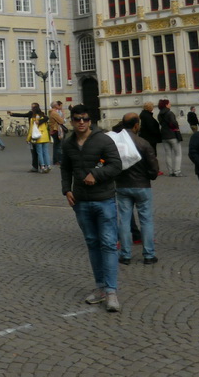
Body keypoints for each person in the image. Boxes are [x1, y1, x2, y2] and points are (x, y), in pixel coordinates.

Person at [61, 104, 123, 312]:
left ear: (90, 121)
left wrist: (95, 174)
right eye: (77, 118)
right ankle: (100, 287)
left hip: (104, 199)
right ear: (71, 120)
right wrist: (65, 190)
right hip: (81, 202)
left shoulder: (103, 140)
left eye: (85, 119)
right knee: (92, 243)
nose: (81, 122)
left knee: (107, 243)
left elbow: (116, 165)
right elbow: (66, 168)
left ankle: (111, 290)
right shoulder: (68, 144)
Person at [113, 113, 159, 266]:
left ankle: (125, 255)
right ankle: (149, 254)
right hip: (142, 185)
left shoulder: (116, 143)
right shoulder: (144, 143)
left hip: (122, 185)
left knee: (124, 220)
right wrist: (149, 175)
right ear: (136, 125)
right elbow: (154, 169)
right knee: (146, 220)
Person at [9, 102, 46, 172]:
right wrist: (12, 114)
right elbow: (22, 115)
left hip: (39, 134)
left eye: (33, 107)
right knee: (34, 151)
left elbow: (46, 119)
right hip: (34, 134)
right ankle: (36, 166)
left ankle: (42, 166)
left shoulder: (41, 114)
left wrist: (40, 122)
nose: (32, 108)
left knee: (40, 152)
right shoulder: (31, 113)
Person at [157, 99, 182, 176]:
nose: (170, 104)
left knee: (168, 154)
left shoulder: (159, 114)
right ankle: (177, 171)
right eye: (169, 103)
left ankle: (170, 171)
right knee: (178, 153)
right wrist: (176, 126)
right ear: (166, 105)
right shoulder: (169, 113)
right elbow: (173, 123)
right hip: (172, 135)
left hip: (164, 135)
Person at [138, 102, 162, 170]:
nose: (153, 108)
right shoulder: (147, 116)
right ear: (149, 108)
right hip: (150, 138)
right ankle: (153, 168)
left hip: (148, 137)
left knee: (149, 153)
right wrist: (158, 133)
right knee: (151, 153)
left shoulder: (145, 115)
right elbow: (151, 127)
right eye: (152, 106)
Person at [49, 101, 67, 166]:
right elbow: (62, 121)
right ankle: (59, 160)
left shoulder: (52, 112)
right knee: (58, 146)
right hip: (56, 130)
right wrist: (63, 114)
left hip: (54, 130)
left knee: (56, 146)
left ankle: (55, 160)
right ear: (56, 106)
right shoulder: (54, 113)